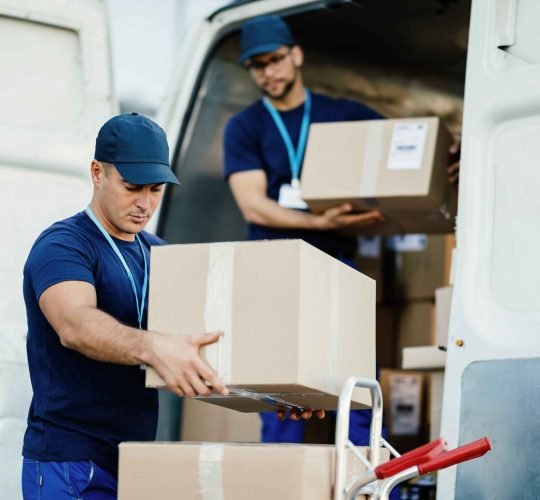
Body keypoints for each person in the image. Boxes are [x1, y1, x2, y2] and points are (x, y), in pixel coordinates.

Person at [21, 113, 229, 500]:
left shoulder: (161, 254)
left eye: (156, 189)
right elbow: (75, 325)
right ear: (97, 172)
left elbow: (210, 342)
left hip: (134, 462)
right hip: (70, 462)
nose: (144, 204)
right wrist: (153, 346)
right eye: (132, 187)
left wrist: (278, 396)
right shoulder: (63, 245)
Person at [223, 14, 392, 447]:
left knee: (355, 389)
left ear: (296, 55)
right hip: (273, 269)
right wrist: (320, 221)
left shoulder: (343, 114)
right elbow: (252, 203)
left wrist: (452, 149)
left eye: (275, 60)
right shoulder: (245, 126)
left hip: (336, 267)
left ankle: (371, 486)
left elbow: (402, 145)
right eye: (257, 65)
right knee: (280, 393)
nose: (268, 72)